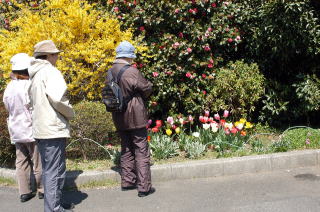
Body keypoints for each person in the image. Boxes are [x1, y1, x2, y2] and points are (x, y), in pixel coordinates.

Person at [28, 40, 75, 212]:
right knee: (54, 171)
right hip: (52, 128)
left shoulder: (34, 74)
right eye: (55, 54)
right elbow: (58, 99)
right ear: (48, 56)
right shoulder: (50, 72)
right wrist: (71, 112)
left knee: (49, 169)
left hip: (41, 128)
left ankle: (53, 205)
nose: (57, 57)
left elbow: (30, 102)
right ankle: (53, 209)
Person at [108, 41, 155, 197]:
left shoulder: (110, 71)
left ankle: (128, 182)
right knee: (141, 150)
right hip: (135, 116)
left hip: (118, 115)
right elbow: (147, 88)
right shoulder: (131, 71)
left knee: (126, 148)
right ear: (130, 56)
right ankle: (144, 187)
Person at [3, 53, 43, 203]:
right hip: (31, 129)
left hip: (16, 129)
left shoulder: (9, 87)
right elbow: (34, 108)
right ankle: (42, 189)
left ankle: (24, 192)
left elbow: (8, 107)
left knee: (21, 161)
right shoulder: (28, 85)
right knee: (38, 161)